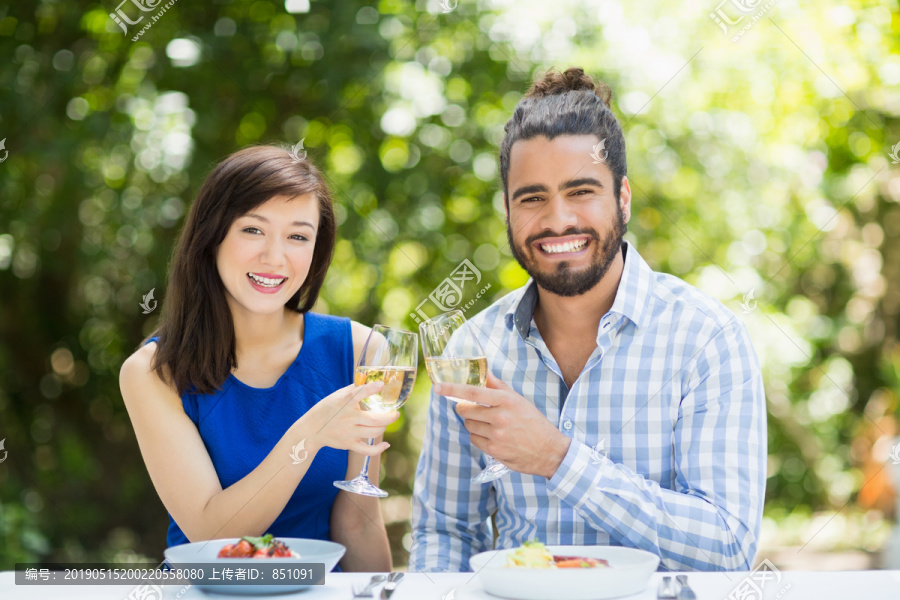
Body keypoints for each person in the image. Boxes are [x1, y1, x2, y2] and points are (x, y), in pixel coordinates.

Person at [409, 67, 766, 572]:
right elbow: (444, 531)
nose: (557, 220)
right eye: (532, 198)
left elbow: (727, 548)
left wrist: (558, 458)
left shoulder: (707, 339)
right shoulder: (474, 346)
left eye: (580, 192)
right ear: (507, 209)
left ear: (622, 197)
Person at [119, 145, 398, 571]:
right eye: (253, 230)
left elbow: (358, 524)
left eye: (298, 236)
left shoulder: (362, 352)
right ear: (212, 236)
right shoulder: (153, 373)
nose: (275, 256)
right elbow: (212, 534)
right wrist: (309, 433)